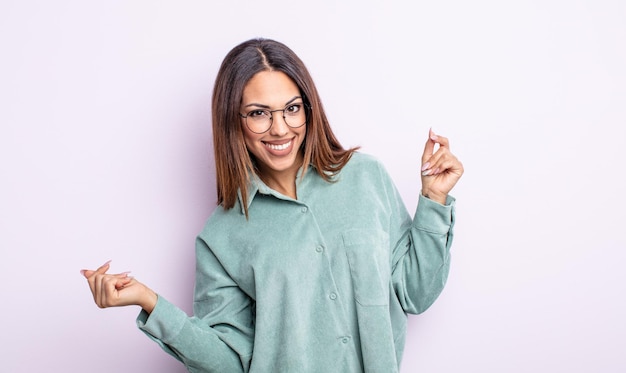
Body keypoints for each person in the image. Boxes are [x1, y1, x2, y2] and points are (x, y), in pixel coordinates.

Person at [81, 38, 464, 373]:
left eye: (291, 108)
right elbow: (230, 363)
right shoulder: (220, 236)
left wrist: (433, 199)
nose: (280, 128)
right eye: (259, 113)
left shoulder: (366, 178)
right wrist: (149, 303)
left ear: (308, 109)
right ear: (234, 120)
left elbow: (415, 293)